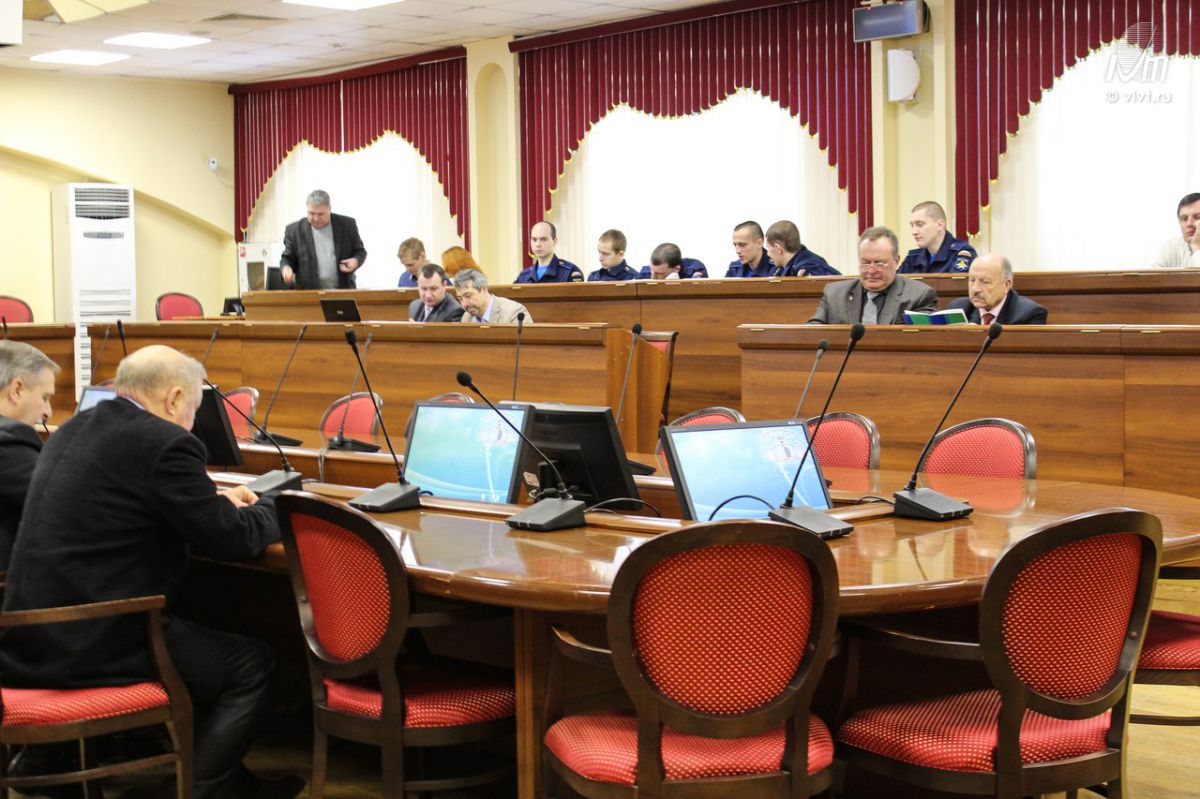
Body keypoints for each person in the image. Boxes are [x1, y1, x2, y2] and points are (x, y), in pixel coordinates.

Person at [0, 346, 302, 799]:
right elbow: (234, 539)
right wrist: (280, 503)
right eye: (194, 410)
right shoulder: (164, 443)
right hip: (93, 642)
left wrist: (208, 505)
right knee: (252, 665)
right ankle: (200, 788)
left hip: (29, 637)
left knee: (207, 632)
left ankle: (213, 775)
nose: (192, 423)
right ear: (174, 398)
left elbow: (134, 504)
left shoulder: (75, 429)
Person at [0, 340, 58, 570]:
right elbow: (61, 501)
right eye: (45, 398)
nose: (48, 412)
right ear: (17, 390)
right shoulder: (9, 441)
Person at [809, 226, 938, 325]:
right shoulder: (835, 294)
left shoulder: (919, 296)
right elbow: (813, 331)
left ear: (896, 261)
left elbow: (923, 342)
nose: (871, 271)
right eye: (865, 263)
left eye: (879, 263)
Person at [279, 189, 367, 290]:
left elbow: (360, 251)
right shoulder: (294, 231)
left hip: (342, 290)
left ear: (329, 209)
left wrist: (355, 261)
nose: (316, 218)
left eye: (320, 214)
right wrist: (286, 269)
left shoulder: (347, 225)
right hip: (308, 292)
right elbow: (288, 258)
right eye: (311, 213)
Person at [946, 253, 1048, 325]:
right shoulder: (957, 309)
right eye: (972, 280)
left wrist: (976, 338)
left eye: (985, 282)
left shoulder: (1029, 314)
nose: (975, 289)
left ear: (1006, 285)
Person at [898, 201, 977, 274]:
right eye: (912, 225)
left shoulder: (961, 253)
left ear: (940, 225)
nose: (914, 232)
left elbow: (955, 284)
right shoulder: (913, 258)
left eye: (920, 224)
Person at [764, 220, 840, 277]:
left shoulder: (810, 270)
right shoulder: (780, 269)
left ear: (778, 248)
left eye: (768, 248)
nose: (768, 254)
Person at [514, 221, 583, 283]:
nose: (537, 244)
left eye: (543, 239)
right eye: (534, 239)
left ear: (555, 241)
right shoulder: (524, 276)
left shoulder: (570, 272)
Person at [457, 268, 532, 323]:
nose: (464, 304)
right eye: (460, 299)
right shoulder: (467, 318)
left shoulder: (514, 313)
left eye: (468, 296)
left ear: (484, 290)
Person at [1151, 192, 1200, 268]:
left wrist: (1196, 246)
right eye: (1184, 218)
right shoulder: (1169, 248)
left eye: (1197, 217)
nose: (1189, 224)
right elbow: (1150, 274)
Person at [636, 243, 708, 279]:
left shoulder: (694, 270)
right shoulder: (644, 273)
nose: (653, 276)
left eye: (660, 273)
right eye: (651, 269)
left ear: (676, 269)